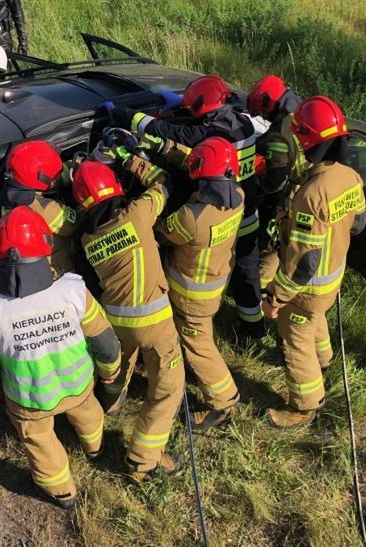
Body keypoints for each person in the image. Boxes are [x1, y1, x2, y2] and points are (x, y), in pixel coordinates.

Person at [0, 207, 121, 509]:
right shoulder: (74, 290)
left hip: (28, 399)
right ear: (45, 244)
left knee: (38, 441)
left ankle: (62, 491)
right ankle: (95, 448)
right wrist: (110, 373)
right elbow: (106, 344)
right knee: (89, 415)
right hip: (78, 386)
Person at [107, 75, 266, 342]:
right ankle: (254, 327)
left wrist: (122, 114)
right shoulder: (244, 124)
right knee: (247, 269)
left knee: (217, 265)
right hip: (245, 207)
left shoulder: (213, 134)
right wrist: (182, 105)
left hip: (218, 211)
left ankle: (205, 320)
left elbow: (173, 132)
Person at [72, 156, 185, 481]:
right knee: (166, 390)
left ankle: (112, 404)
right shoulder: (136, 215)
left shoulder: (86, 238)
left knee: (120, 368)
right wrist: (131, 160)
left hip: (116, 322)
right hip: (155, 324)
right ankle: (142, 461)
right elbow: (163, 183)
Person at [260, 96, 366, 428]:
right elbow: (359, 224)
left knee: (295, 338)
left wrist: (276, 298)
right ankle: (325, 359)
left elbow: (304, 262)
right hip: (332, 279)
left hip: (307, 287)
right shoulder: (350, 177)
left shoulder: (311, 195)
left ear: (306, 139)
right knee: (316, 319)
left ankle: (305, 405)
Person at [155, 136, 245, 430]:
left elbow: (159, 233)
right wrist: (167, 149)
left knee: (199, 345)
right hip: (215, 283)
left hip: (190, 295)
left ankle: (223, 401)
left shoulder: (190, 218)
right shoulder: (238, 196)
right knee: (203, 335)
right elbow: (204, 166)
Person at [247, 75, 309, 290]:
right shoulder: (306, 111)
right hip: (313, 195)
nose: (263, 117)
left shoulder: (280, 134)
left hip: (290, 201)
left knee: (270, 249)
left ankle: (260, 296)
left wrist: (258, 180)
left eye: (263, 113)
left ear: (268, 105)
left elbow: (275, 183)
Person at [1, 140, 77, 276]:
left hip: (27, 270)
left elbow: (54, 178)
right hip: (56, 273)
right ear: (41, 178)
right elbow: (76, 225)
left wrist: (74, 165)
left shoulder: (8, 196)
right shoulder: (46, 209)